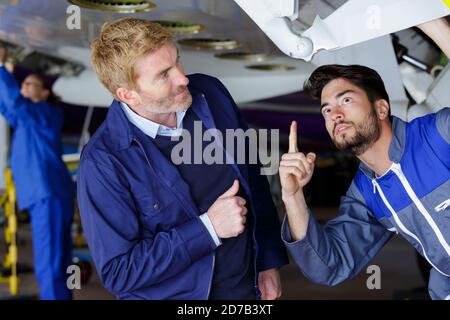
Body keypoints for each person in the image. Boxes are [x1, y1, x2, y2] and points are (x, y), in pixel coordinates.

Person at [76, 18, 288, 300]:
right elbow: (119, 272)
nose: (183, 79)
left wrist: (267, 260)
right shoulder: (103, 162)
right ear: (127, 94)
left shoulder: (210, 94)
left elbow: (252, 176)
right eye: (164, 74)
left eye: (178, 61)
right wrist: (208, 229)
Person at [278, 18, 450, 300]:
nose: (334, 114)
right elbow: (329, 266)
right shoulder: (366, 196)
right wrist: (292, 195)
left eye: (346, 100)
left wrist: (429, 21)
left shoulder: (436, 135)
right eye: (326, 110)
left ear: (381, 109)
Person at [0, 46, 75, 300]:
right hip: (47, 194)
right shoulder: (29, 117)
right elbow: (8, 107)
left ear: (44, 93)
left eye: (29, 82)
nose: (23, 84)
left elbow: (15, 105)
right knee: (56, 261)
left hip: (48, 194)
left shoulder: (45, 113)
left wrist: (1, 69)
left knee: (49, 264)